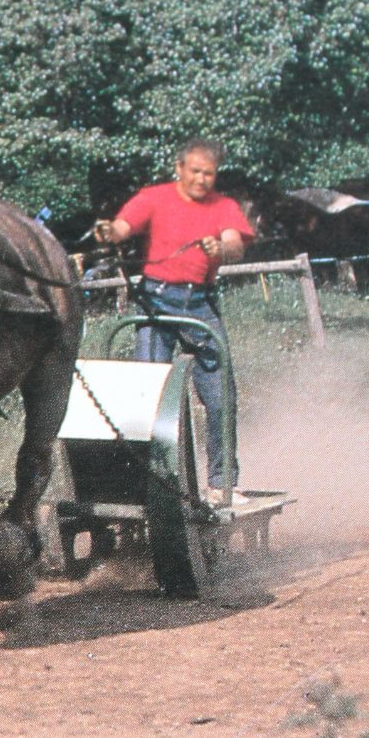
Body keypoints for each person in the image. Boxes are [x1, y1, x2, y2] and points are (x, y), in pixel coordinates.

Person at [94, 139, 255, 505]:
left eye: (209, 173)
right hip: (156, 300)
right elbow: (122, 227)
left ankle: (221, 483)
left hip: (199, 303)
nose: (201, 179)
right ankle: (147, 484)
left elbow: (235, 243)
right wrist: (110, 232)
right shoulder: (154, 198)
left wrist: (221, 248)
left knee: (219, 393)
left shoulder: (224, 206)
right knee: (145, 391)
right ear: (179, 168)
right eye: (195, 171)